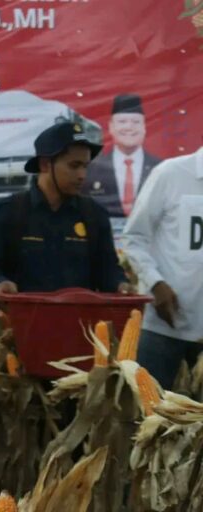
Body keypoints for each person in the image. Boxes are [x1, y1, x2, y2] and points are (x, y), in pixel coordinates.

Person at [0, 122, 129, 306]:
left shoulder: (94, 215)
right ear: (44, 164)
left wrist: (120, 285)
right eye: (74, 166)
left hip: (82, 322)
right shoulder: (5, 213)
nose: (82, 175)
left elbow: (107, 269)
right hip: (21, 322)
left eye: (85, 166)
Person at [122, 146, 203, 389]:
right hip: (164, 326)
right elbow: (134, 238)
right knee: (150, 407)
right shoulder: (170, 173)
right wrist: (155, 284)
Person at [85, 94, 162, 217]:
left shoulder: (161, 168)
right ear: (111, 126)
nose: (129, 127)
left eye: (136, 122)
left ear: (144, 127)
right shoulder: (92, 169)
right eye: (122, 122)